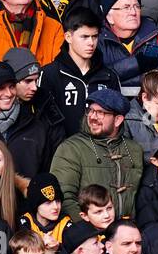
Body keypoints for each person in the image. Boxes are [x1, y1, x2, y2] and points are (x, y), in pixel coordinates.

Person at [48, 88, 145, 221]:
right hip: (90, 235)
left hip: (128, 233)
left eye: (100, 113)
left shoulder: (134, 149)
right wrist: (89, 233)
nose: (93, 117)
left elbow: (141, 197)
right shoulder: (71, 148)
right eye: (91, 111)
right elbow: (64, 197)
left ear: (117, 120)